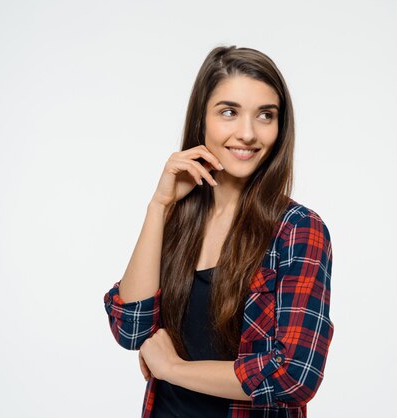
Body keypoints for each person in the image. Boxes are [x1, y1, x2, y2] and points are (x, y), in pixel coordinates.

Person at [103, 45, 334, 418]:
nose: (247, 133)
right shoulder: (178, 219)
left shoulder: (296, 229)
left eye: (265, 115)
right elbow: (131, 329)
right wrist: (159, 207)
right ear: (202, 121)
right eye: (229, 112)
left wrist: (173, 370)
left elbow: (294, 375)